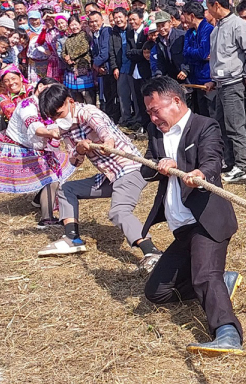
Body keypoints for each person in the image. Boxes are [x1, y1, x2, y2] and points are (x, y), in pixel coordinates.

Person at [139, 75, 245, 356]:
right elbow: (145, 169)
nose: (152, 118)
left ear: (175, 101)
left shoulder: (204, 126)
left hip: (207, 220)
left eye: (155, 110)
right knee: (156, 292)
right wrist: (157, 166)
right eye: (148, 112)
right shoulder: (157, 134)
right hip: (182, 229)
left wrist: (195, 172)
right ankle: (223, 282)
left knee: (204, 276)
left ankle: (227, 333)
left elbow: (213, 160)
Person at [36, 83, 161, 269]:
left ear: (70, 101)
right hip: (110, 175)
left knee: (119, 211)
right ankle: (72, 238)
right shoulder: (65, 127)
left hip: (129, 169)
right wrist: (78, 150)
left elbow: (105, 131)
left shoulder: (89, 113)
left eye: (59, 113)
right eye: (52, 117)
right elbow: (74, 162)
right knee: (66, 189)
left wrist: (107, 142)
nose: (57, 119)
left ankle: (152, 251)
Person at [0, 74, 73, 227]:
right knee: (51, 177)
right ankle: (46, 219)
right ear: (40, 87)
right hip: (20, 150)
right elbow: (35, 127)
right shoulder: (27, 105)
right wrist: (51, 133)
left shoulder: (43, 104)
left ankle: (39, 198)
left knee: (55, 167)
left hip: (31, 146)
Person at [207, 0, 246, 182]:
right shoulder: (216, 29)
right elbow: (220, 57)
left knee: (235, 125)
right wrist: (213, 80)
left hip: (233, 83)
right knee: (220, 124)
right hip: (220, 83)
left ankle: (241, 165)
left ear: (216, 5)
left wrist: (245, 74)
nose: (208, 11)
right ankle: (229, 161)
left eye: (209, 6)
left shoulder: (238, 25)